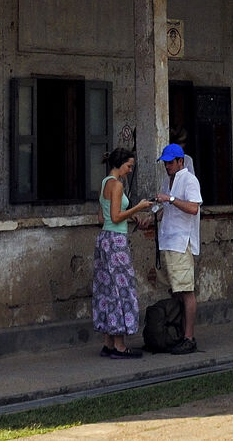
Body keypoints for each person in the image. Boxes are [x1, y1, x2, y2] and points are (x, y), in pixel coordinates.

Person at [92, 147, 153, 359]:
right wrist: (137, 208)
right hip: (116, 242)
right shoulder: (117, 185)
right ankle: (119, 345)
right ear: (120, 164)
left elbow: (103, 218)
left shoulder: (104, 183)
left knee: (107, 290)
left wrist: (130, 217)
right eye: (128, 166)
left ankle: (108, 342)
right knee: (121, 289)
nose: (129, 170)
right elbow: (116, 217)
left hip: (104, 240)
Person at [151, 142, 203, 354]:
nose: (167, 166)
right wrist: (151, 217)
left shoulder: (189, 180)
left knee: (186, 291)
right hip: (168, 240)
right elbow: (165, 210)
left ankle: (189, 337)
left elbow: (193, 207)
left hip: (182, 242)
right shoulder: (167, 180)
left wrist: (171, 199)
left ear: (180, 161)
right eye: (165, 163)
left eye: (170, 163)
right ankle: (178, 332)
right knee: (175, 290)